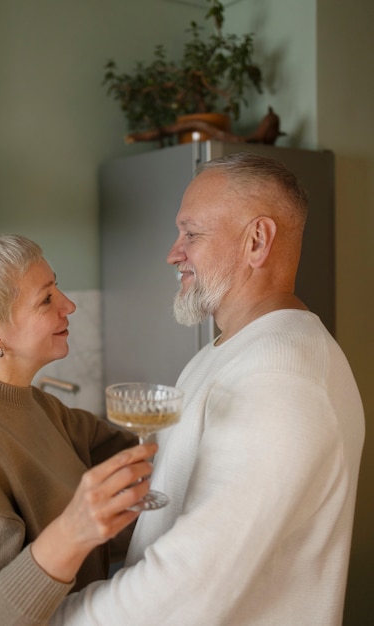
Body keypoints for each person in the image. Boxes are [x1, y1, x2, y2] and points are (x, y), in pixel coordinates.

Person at [51, 152, 365, 625]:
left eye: (191, 234)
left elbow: (186, 590)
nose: (173, 253)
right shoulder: (227, 352)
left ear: (256, 241)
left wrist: (46, 618)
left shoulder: (280, 378)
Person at [0, 234, 157, 626]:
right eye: (46, 299)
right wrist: (71, 534)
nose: (69, 306)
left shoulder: (37, 405)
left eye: (57, 288)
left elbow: (139, 457)